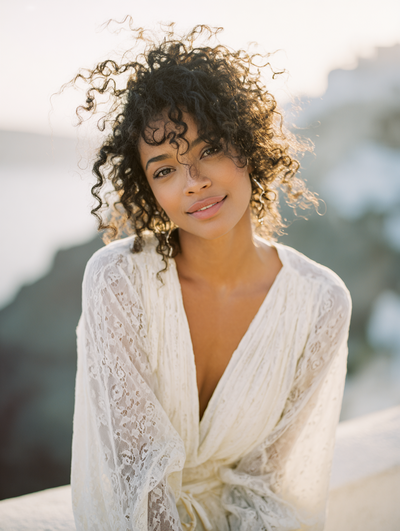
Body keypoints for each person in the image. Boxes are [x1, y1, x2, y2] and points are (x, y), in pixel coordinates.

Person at [70, 23, 352, 531]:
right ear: (147, 188)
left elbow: (271, 484)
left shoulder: (321, 303)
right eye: (164, 170)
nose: (193, 183)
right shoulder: (117, 281)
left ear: (248, 145)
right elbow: (135, 481)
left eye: (208, 150)